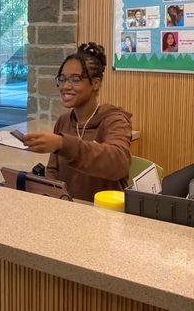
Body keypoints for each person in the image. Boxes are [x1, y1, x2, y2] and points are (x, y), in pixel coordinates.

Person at [21, 43, 132, 201]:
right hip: (69, 211)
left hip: (105, 215)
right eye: (62, 79)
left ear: (96, 83)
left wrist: (63, 144)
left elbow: (118, 163)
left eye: (75, 80)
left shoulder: (114, 120)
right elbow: (53, 172)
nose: (66, 86)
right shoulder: (64, 121)